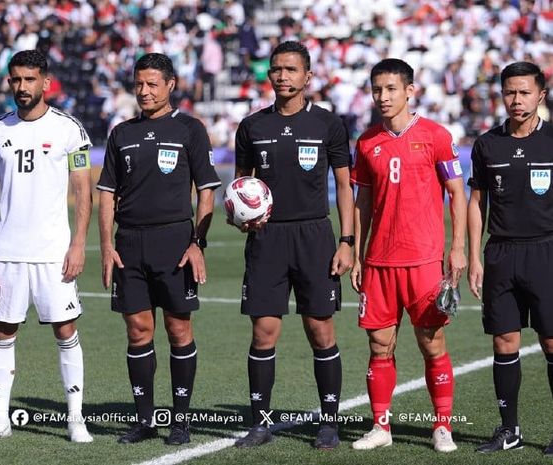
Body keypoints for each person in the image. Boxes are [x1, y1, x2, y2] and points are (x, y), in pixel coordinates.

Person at [232, 41, 354, 449]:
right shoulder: (252, 126)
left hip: (314, 237)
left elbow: (343, 185)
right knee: (264, 333)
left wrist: (347, 240)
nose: (282, 76)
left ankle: (330, 423)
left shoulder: (328, 124)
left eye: (290, 69)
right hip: (267, 240)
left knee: (320, 330)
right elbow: (240, 186)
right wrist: (241, 218)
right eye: (276, 69)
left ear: (308, 76)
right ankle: (261, 423)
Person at [97, 53, 221, 446]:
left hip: (175, 242)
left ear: (171, 85)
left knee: (178, 328)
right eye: (138, 84)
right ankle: (145, 420)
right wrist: (105, 246)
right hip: (129, 243)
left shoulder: (190, 129)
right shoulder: (121, 133)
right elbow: (106, 196)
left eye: (152, 84)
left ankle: (180, 421)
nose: (144, 91)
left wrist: (197, 242)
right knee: (137, 331)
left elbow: (206, 192)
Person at [0, 50, 93, 443]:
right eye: (15, 80)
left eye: (29, 79)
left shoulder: (69, 129)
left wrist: (78, 244)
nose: (21, 87)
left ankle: (75, 418)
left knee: (65, 329)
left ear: (46, 82)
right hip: (7, 250)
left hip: (53, 251)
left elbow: (82, 190)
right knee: (3, 332)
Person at [350, 58, 466, 452]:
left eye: (391, 89)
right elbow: (362, 201)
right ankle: (381, 427)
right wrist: (358, 253)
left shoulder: (435, 135)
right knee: (379, 346)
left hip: (423, 261)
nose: (383, 97)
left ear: (409, 91)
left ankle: (442, 427)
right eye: (377, 89)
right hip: (379, 263)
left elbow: (457, 194)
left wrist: (458, 248)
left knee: (432, 343)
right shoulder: (366, 142)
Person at [467, 61, 553, 455]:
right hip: (500, 252)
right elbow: (476, 201)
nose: (516, 100)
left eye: (524, 92)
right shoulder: (487, 144)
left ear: (540, 95)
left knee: (551, 342)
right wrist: (473, 255)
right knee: (504, 341)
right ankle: (509, 429)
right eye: (509, 92)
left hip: (546, 251)